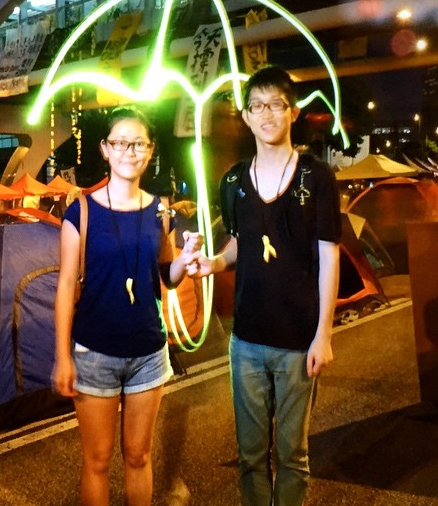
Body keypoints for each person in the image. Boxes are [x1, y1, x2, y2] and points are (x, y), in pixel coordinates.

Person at [191, 65, 341, 506]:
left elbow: (329, 256)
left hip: (299, 340)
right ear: (246, 116)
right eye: (257, 106)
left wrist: (323, 334)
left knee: (293, 456)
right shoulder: (234, 181)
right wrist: (215, 262)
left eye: (276, 104)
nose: (267, 114)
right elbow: (242, 242)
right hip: (246, 342)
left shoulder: (316, 177)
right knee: (251, 457)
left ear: (293, 112)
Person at [53, 105, 202, 506]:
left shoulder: (160, 211)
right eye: (120, 143)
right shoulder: (81, 212)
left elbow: (166, 276)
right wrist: (62, 356)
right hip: (94, 352)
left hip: (148, 353)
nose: (129, 151)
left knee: (139, 456)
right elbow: (65, 285)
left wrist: (186, 262)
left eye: (138, 144)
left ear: (150, 150)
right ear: (105, 149)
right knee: (97, 461)